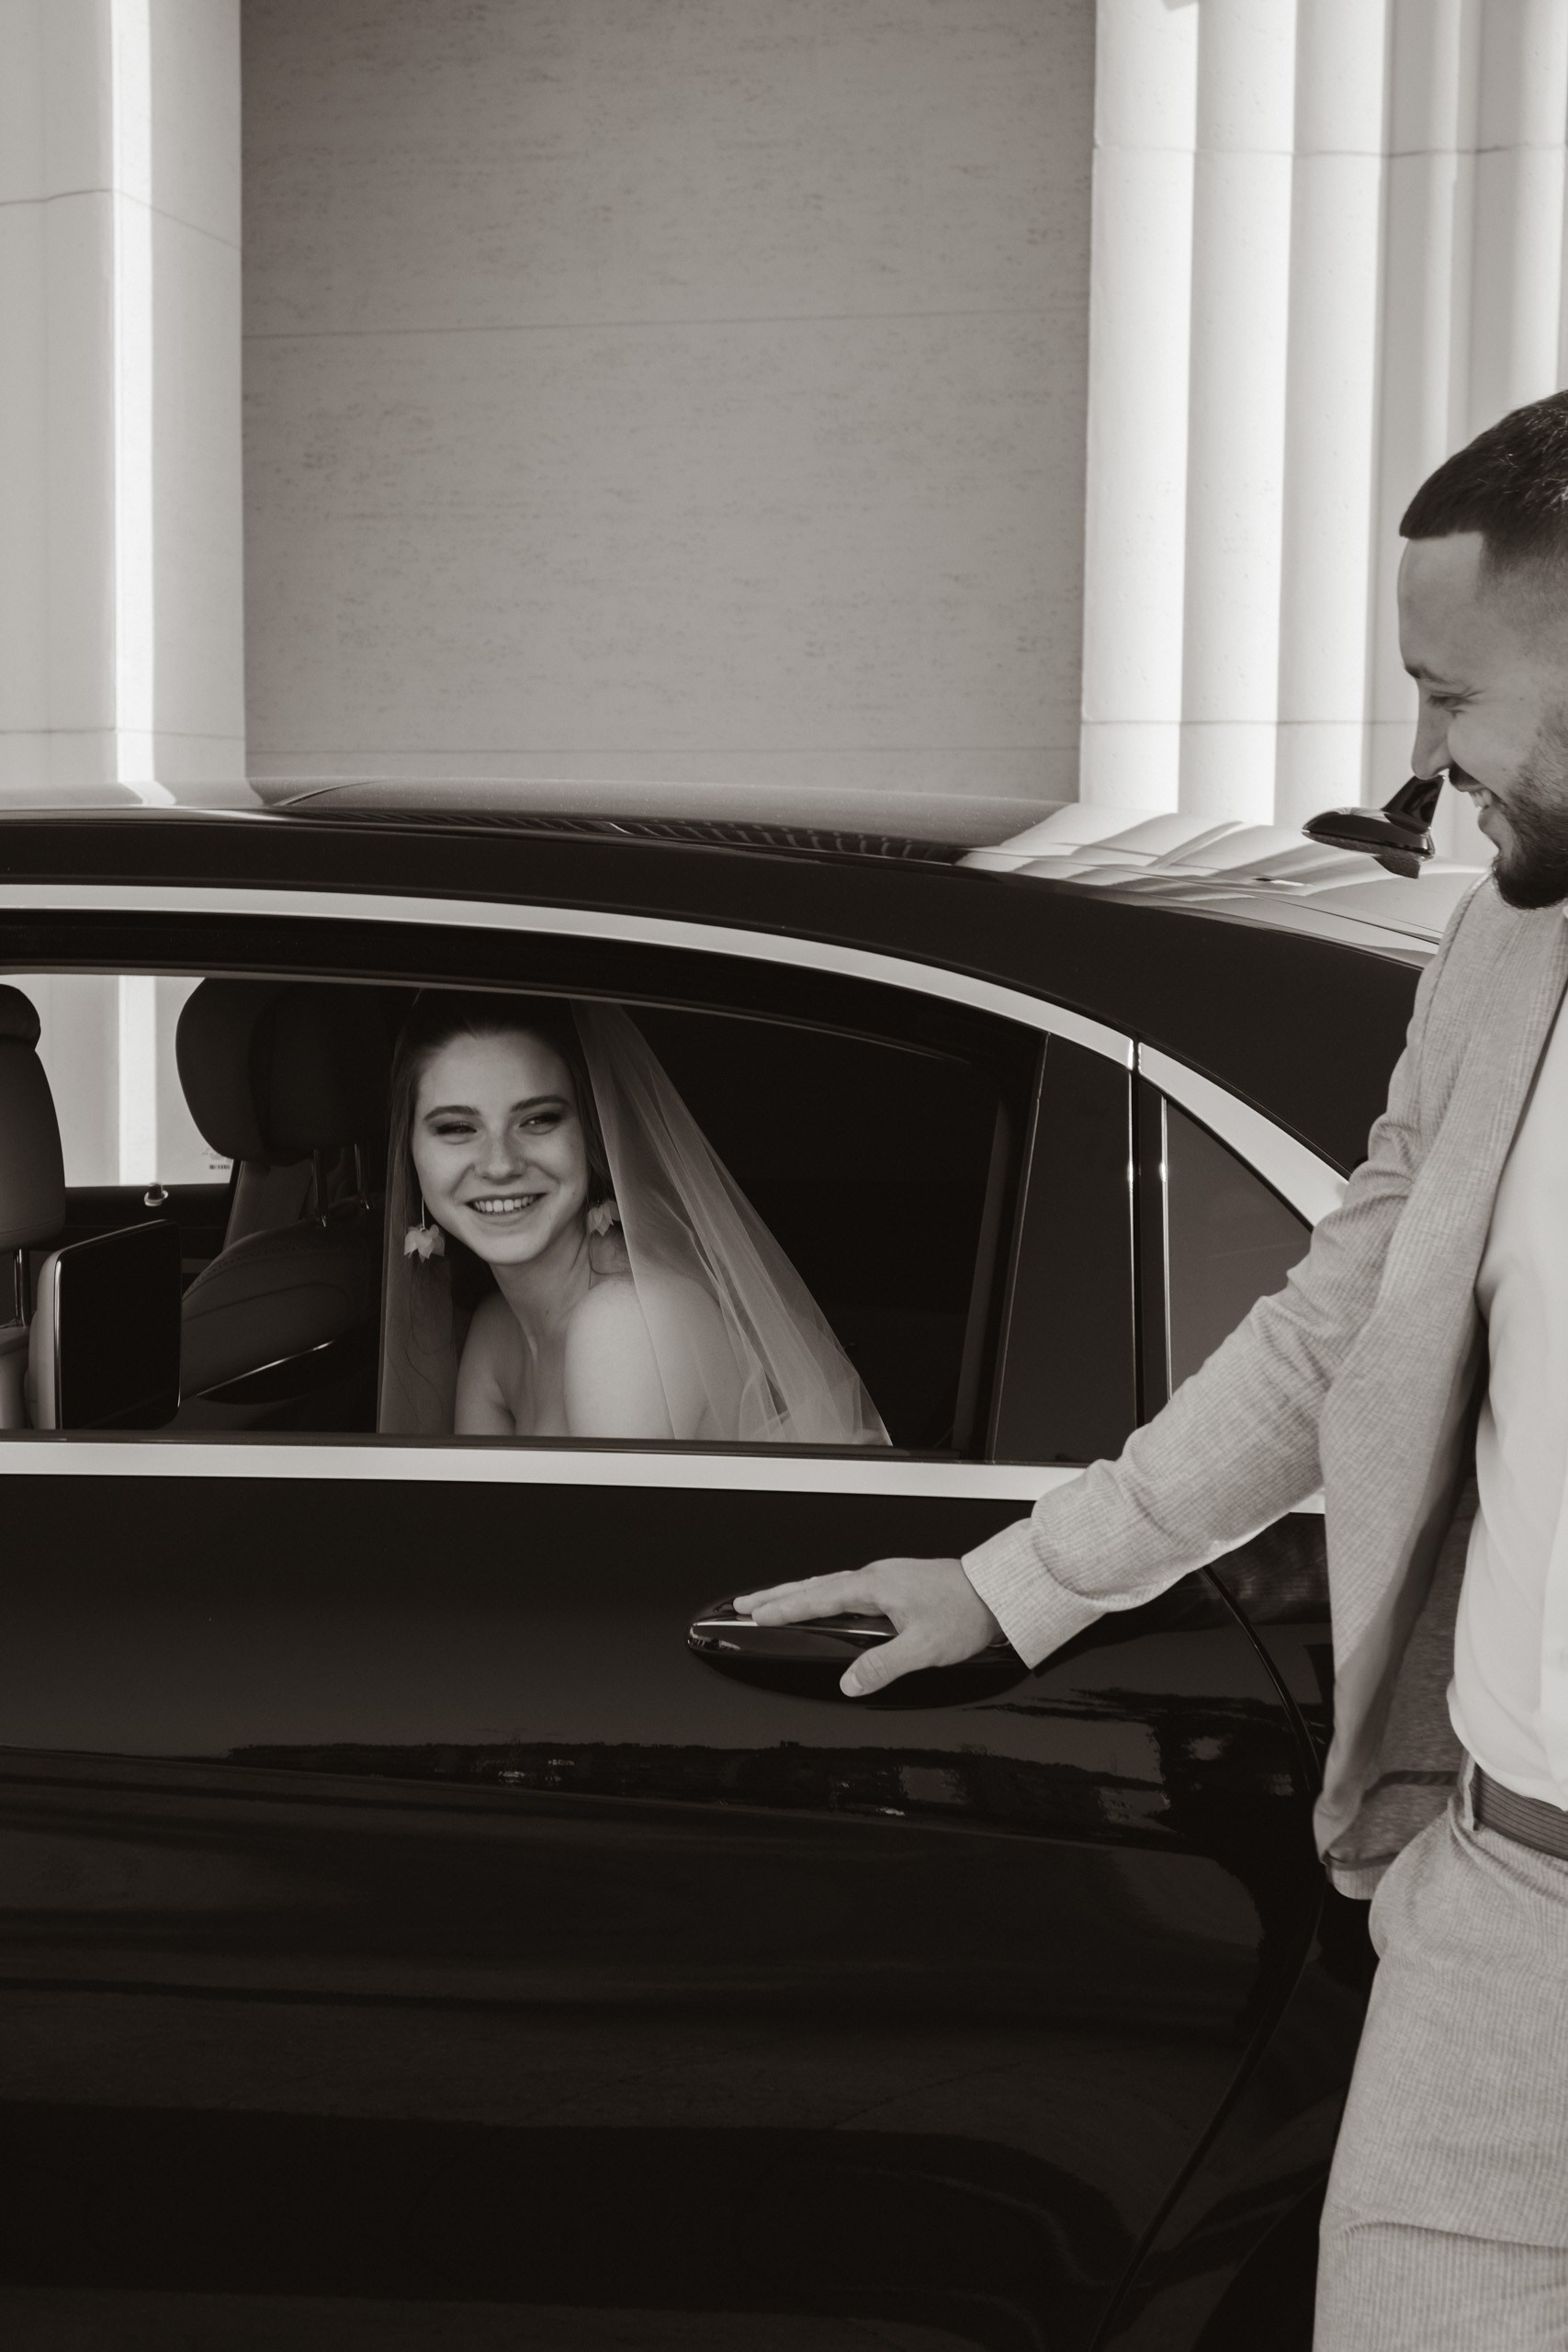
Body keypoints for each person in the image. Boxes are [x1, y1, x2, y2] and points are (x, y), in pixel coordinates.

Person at [739, 388, 1568, 2350]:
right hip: (1507, 1907)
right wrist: (1016, 1579)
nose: (1422, 762)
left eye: (1449, 696)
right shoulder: (1502, 961)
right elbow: (1332, 1322)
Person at [380, 989, 888, 1448]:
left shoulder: (624, 1324)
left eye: (538, 1119)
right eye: (456, 1128)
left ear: (591, 1133)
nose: (500, 1165)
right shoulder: (496, 1332)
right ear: (411, 1150)